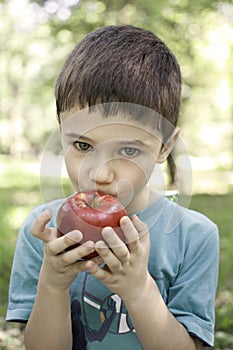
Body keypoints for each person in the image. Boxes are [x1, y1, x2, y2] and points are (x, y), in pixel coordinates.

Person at [6, 25, 219, 350]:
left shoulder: (194, 237)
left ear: (165, 147)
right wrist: (53, 282)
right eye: (81, 145)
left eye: (129, 150)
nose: (100, 173)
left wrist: (138, 289)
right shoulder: (44, 233)